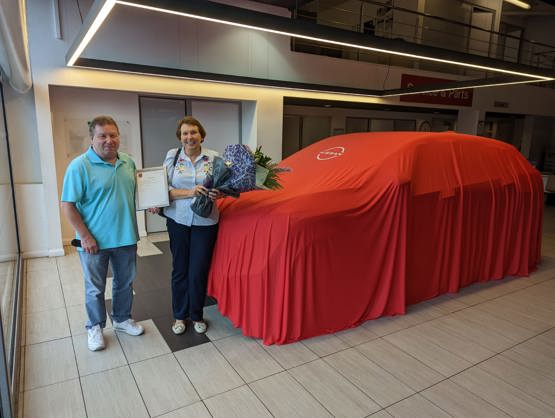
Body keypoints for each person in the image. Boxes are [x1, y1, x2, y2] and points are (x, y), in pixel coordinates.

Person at [61, 115, 144, 352]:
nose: (109, 140)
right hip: (93, 242)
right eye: (102, 136)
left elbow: (138, 193)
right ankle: (95, 326)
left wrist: (154, 201)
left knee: (124, 283)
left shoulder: (128, 162)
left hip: (126, 237)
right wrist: (84, 236)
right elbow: (67, 205)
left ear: (119, 137)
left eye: (113, 135)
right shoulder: (79, 166)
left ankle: (121, 318)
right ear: (92, 138)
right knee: (95, 288)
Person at [149, 116, 222, 335]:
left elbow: (223, 185)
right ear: (180, 137)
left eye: (193, 132)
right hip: (178, 219)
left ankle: (197, 314)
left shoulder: (214, 157)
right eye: (185, 133)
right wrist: (191, 192)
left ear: (202, 135)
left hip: (205, 221)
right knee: (180, 268)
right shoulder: (173, 156)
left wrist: (219, 191)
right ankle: (180, 315)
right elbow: (163, 189)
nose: (189, 137)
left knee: (198, 270)